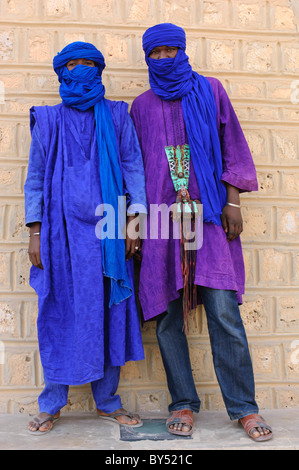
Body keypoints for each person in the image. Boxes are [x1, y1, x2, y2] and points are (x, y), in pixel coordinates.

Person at [130, 23, 273, 442]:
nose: (164, 59)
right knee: (168, 316)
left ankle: (244, 408)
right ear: (147, 58)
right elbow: (135, 169)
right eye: (156, 53)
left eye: (171, 50)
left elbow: (234, 145)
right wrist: (134, 223)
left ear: (184, 50)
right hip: (162, 223)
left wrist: (233, 201)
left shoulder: (210, 91)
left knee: (224, 312)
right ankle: (183, 405)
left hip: (209, 218)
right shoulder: (140, 106)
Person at [24, 41, 147, 434]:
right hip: (59, 234)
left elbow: (132, 165)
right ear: (61, 72)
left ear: (99, 70)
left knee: (108, 312)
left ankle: (108, 401)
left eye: (88, 64)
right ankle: (52, 401)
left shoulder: (116, 115)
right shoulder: (47, 120)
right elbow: (37, 179)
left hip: (109, 232)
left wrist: (134, 222)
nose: (80, 71)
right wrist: (35, 231)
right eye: (72, 65)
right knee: (57, 310)